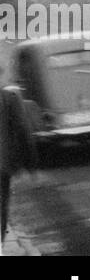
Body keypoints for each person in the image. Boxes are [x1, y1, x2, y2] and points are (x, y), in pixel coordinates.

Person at [0, 65, 37, 251]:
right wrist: (30, 164)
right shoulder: (9, 99)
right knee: (1, 203)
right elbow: (23, 131)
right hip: (2, 164)